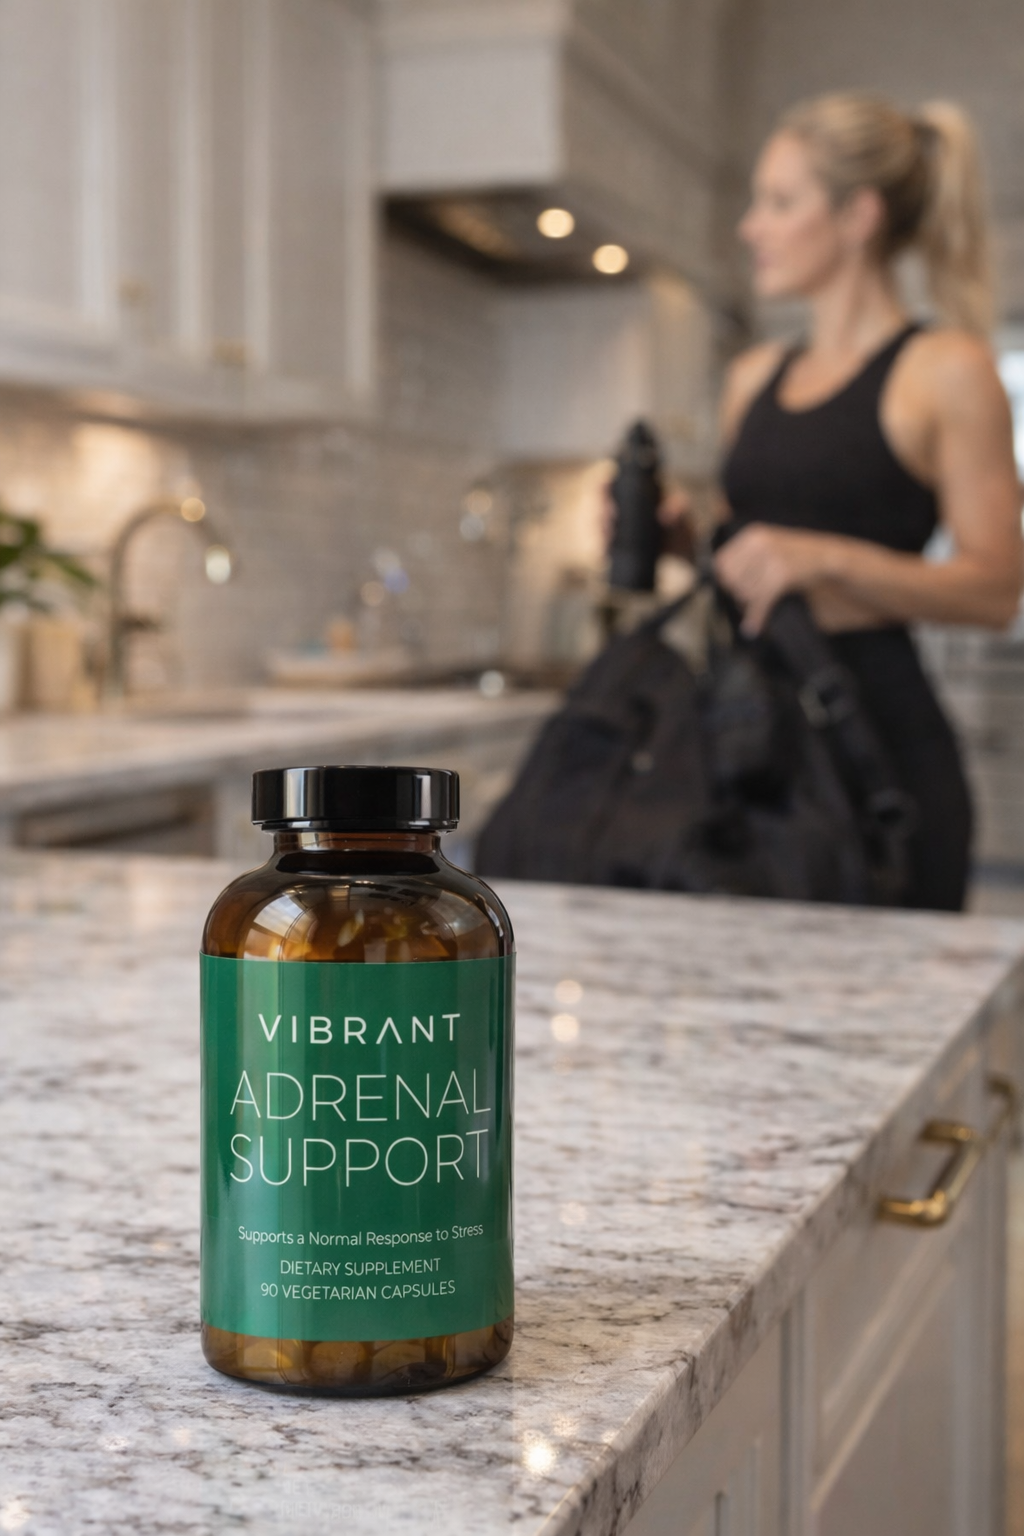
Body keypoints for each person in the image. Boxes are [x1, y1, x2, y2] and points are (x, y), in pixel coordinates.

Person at [710, 93, 1023, 912]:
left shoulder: (946, 369)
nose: (752, 227)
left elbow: (997, 589)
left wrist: (823, 556)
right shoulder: (751, 378)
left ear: (858, 216)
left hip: (878, 752)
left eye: (780, 202)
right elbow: (746, 558)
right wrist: (680, 539)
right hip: (746, 742)